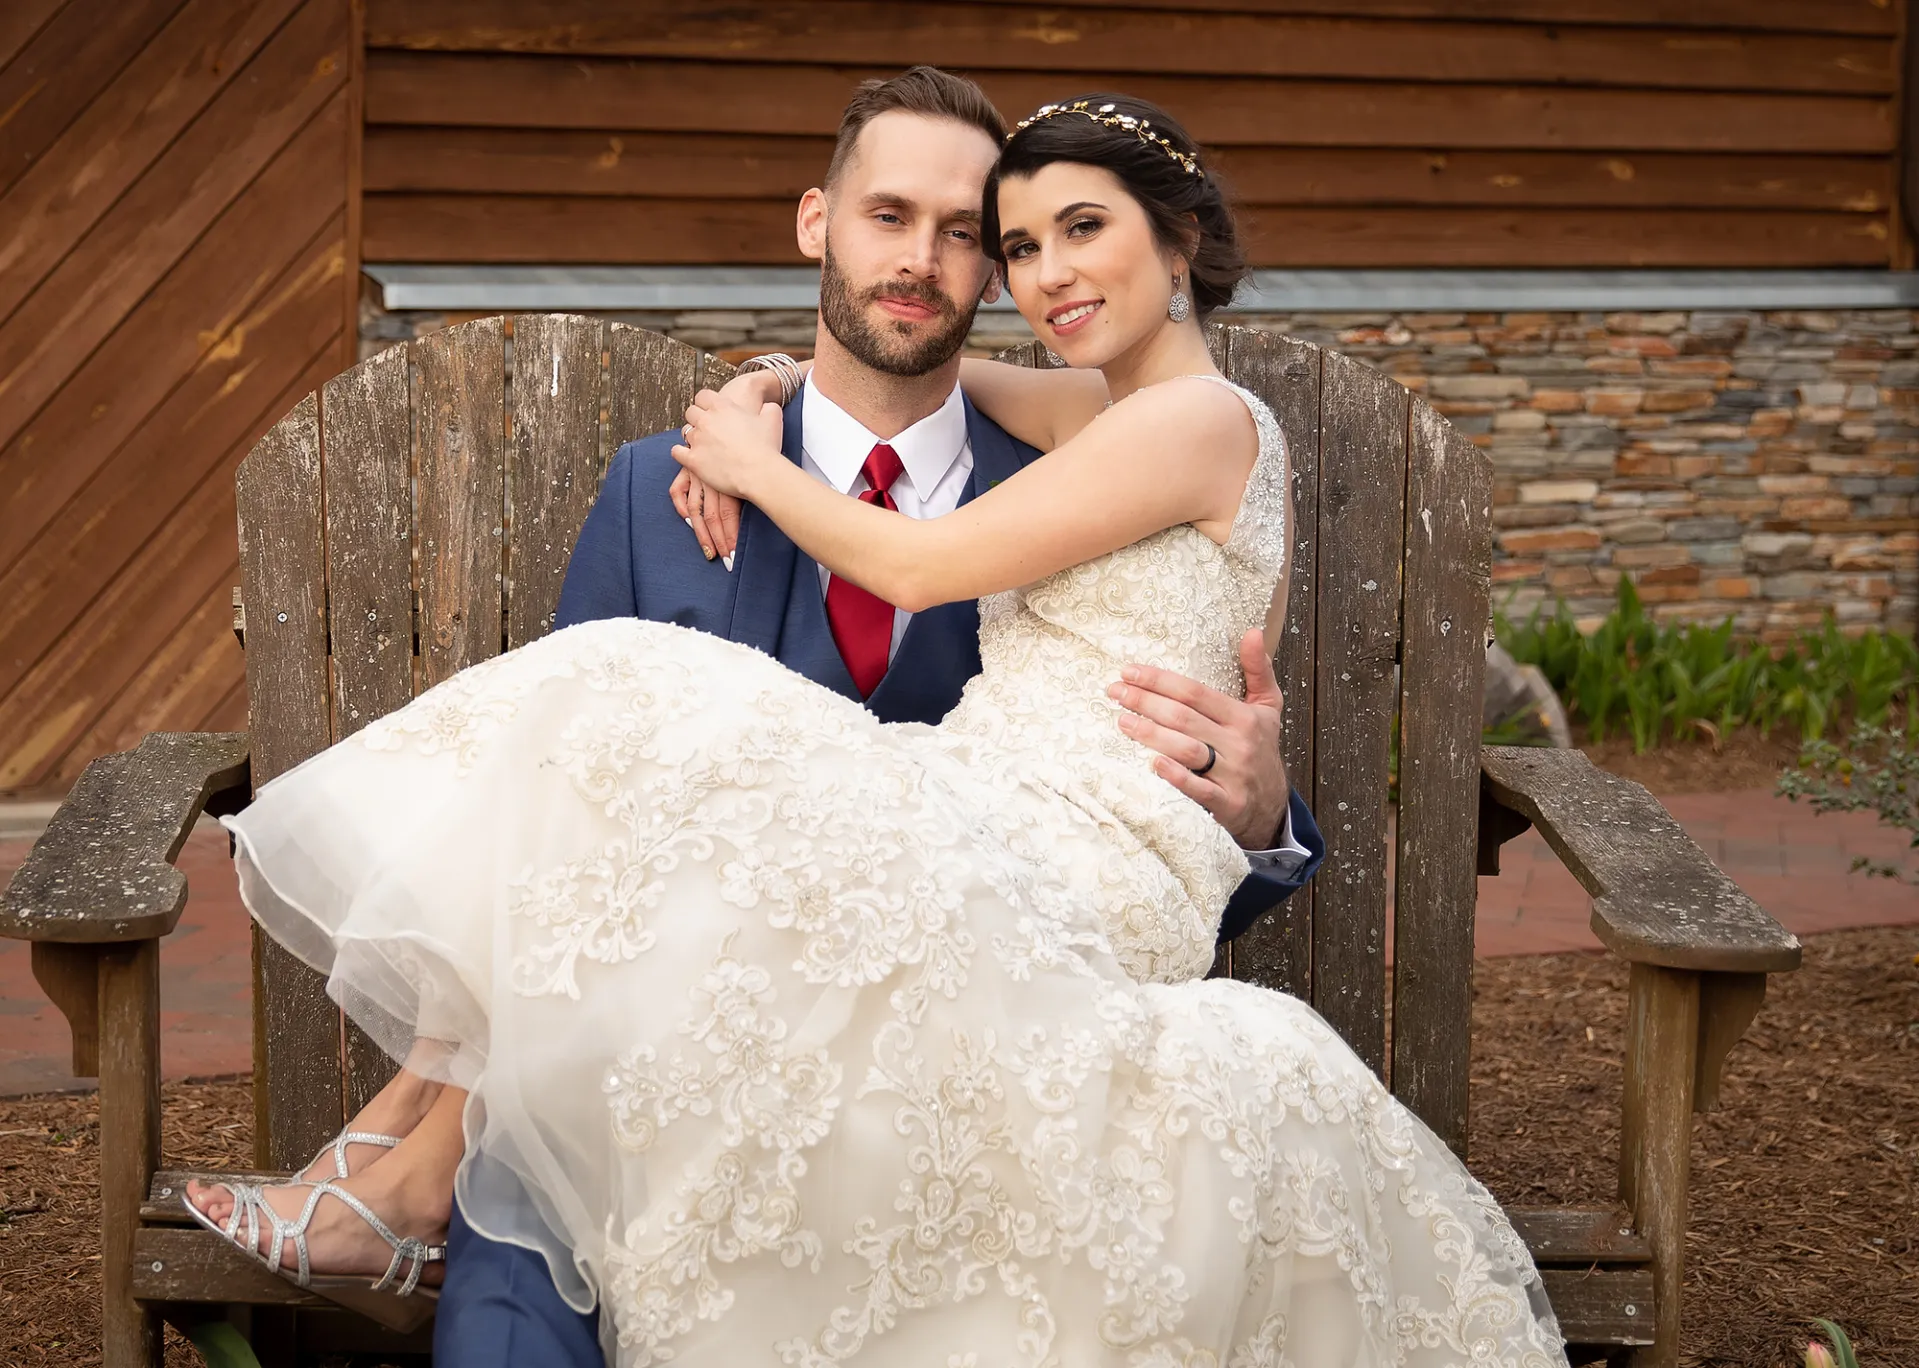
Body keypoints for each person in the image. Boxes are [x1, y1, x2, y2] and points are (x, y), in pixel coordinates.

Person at [186, 77, 1567, 1367]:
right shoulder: (1046, 420)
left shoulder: (1160, 434)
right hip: (649, 1057)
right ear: (819, 225)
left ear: (1180, 238)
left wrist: (1262, 817)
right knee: (612, 729)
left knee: (648, 697)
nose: (1033, 270)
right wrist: (758, 394)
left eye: (1015, 234)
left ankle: (395, 1180)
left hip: (1028, 917)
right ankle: (405, 1167)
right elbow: (553, 828)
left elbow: (921, 572)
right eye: (1015, 242)